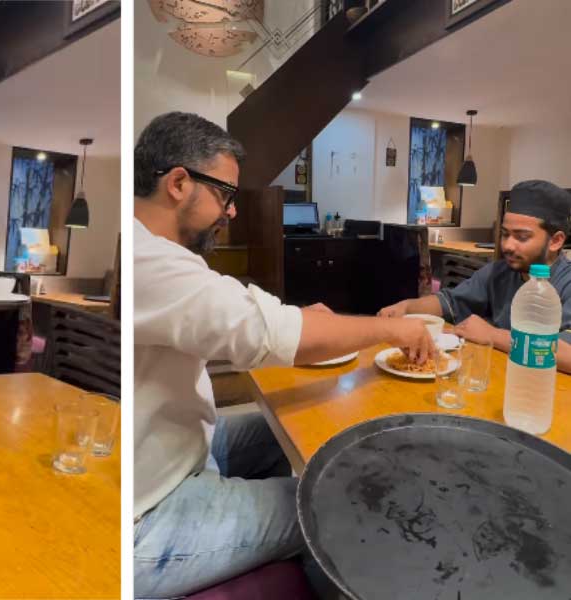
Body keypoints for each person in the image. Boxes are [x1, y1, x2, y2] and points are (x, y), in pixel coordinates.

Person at [132, 111, 435, 598]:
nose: (231, 211)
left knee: (296, 421)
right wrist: (389, 328)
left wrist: (305, 320)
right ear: (179, 183)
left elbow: (245, 312)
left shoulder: (154, 253)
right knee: (342, 496)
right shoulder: (150, 262)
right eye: (225, 194)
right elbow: (271, 334)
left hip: (178, 448)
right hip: (148, 515)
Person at [379, 180, 571, 374]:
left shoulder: (566, 282)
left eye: (521, 237)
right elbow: (450, 302)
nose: (508, 246)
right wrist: (405, 307)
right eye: (505, 234)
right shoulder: (499, 271)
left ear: (555, 241)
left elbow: (567, 354)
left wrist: (492, 335)